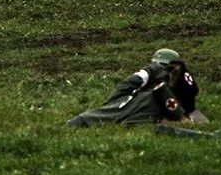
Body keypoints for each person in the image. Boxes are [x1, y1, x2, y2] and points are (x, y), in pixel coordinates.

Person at [67, 49, 198, 127]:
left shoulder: (157, 74)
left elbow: (132, 82)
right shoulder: (178, 82)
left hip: (113, 111)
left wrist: (111, 100)